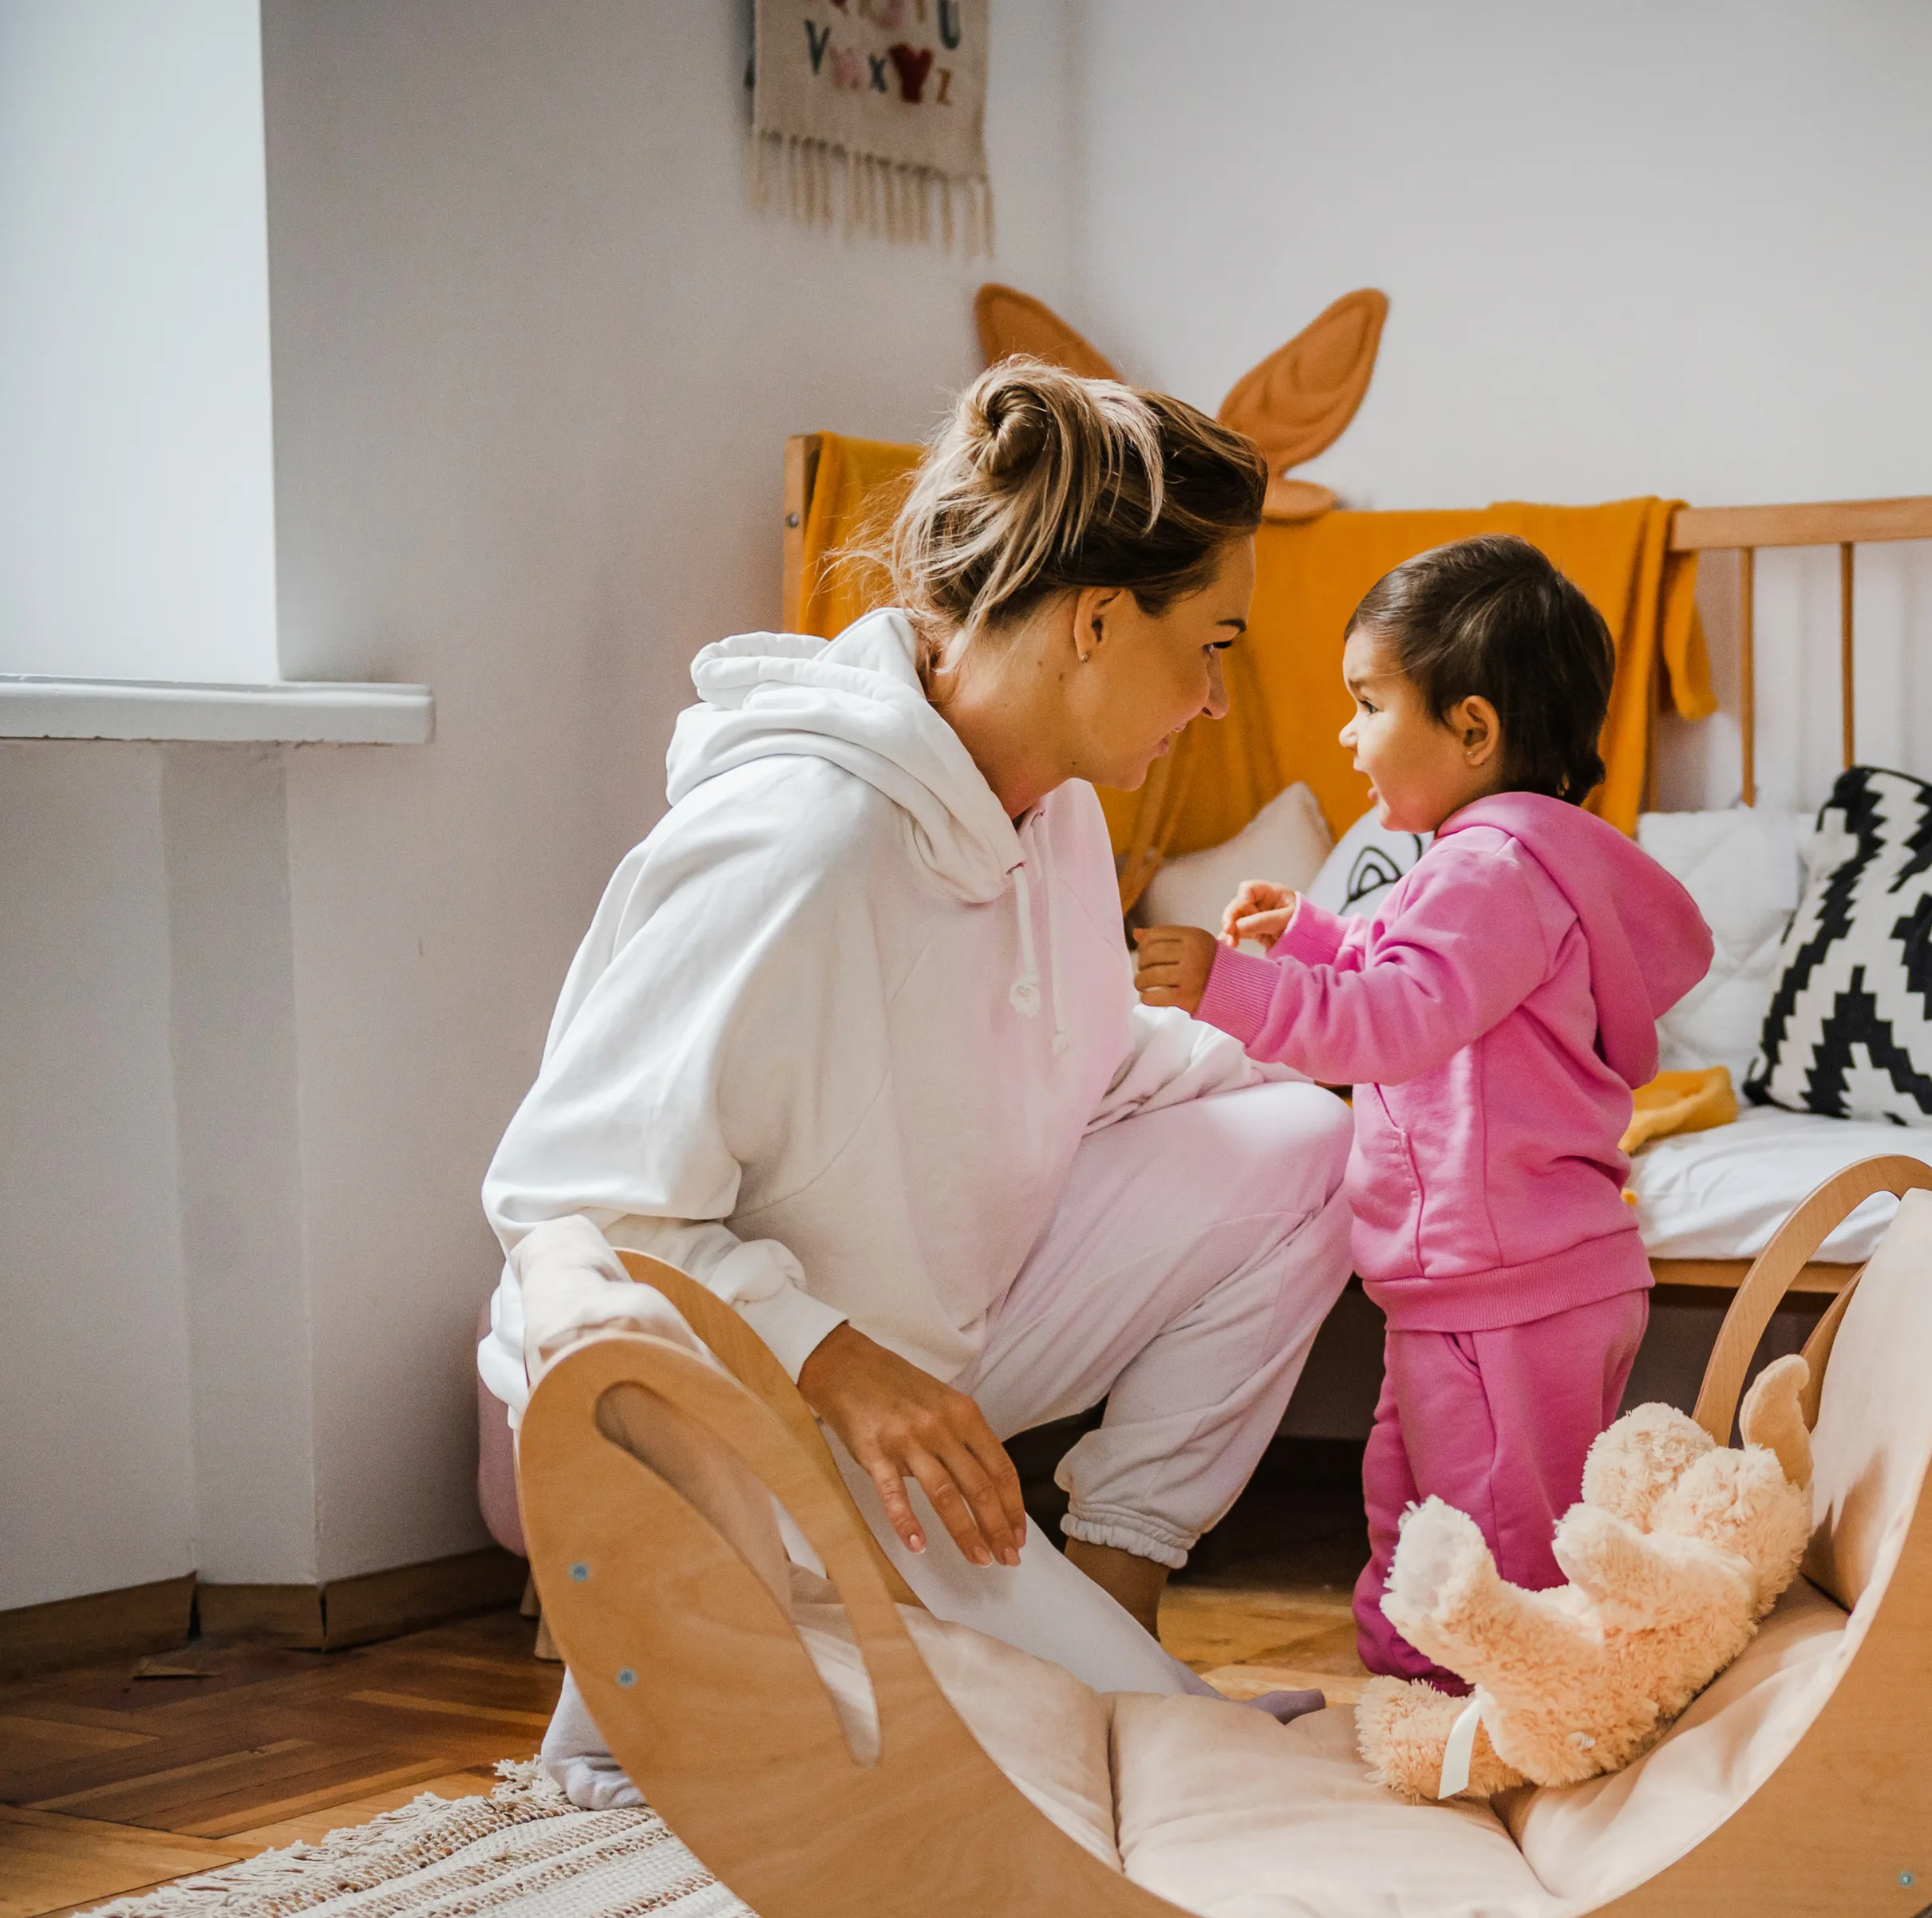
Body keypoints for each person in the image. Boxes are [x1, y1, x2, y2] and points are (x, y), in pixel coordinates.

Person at [483, 360, 1353, 1805]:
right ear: (1093, 620)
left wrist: (1348, 1048)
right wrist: (835, 1360)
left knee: (1303, 1146)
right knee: (1090, 1767)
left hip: (919, 1360)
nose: (1213, 700)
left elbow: (1089, 1060)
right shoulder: (804, 845)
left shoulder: (1050, 812)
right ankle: (645, 1694)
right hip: (709, 1402)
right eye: (1211, 646)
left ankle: (1108, 1618)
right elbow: (568, 1210)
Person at [1132, 536, 1711, 1687]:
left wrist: (1231, 986)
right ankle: (1415, 1705)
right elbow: (1433, 977)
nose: (1349, 736)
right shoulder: (1501, 864)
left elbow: (1400, 1021)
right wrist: (1315, 936)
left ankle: (1498, 1729)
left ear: (1473, 729)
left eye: (1368, 704)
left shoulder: (1487, 868)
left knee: (1488, 1557)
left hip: (1504, 1288)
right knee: (1418, 1517)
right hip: (1488, 1283)